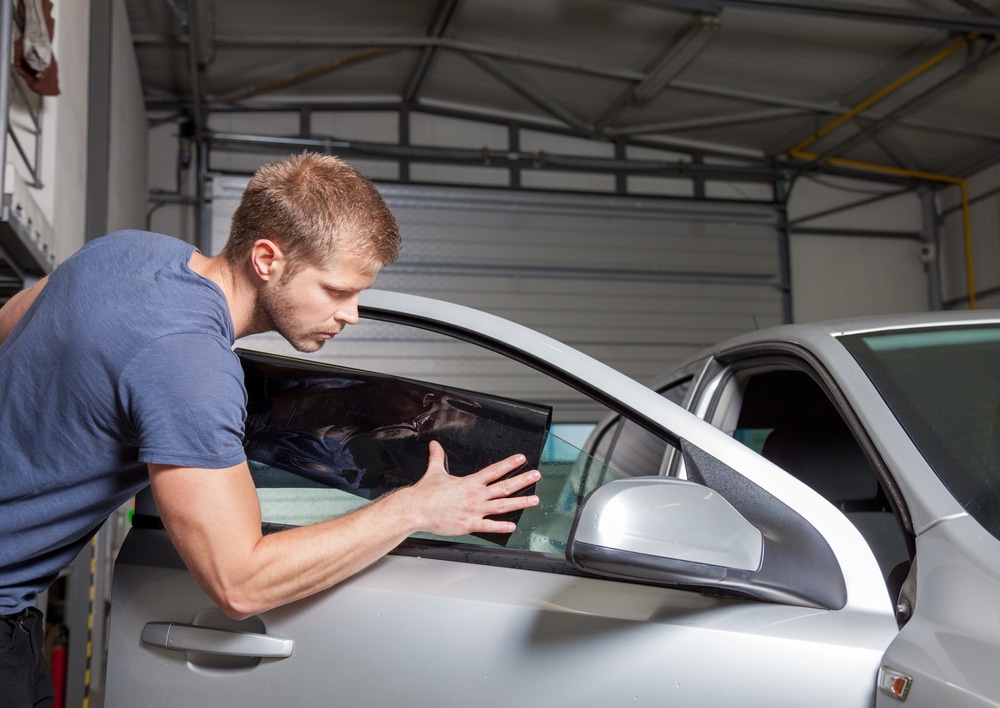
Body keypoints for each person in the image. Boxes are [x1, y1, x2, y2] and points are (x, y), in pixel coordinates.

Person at [0, 152, 540, 707]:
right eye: (336, 291)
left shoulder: (127, 250)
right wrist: (414, 510)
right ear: (267, 258)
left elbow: (8, 326)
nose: (351, 314)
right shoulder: (192, 366)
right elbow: (241, 583)